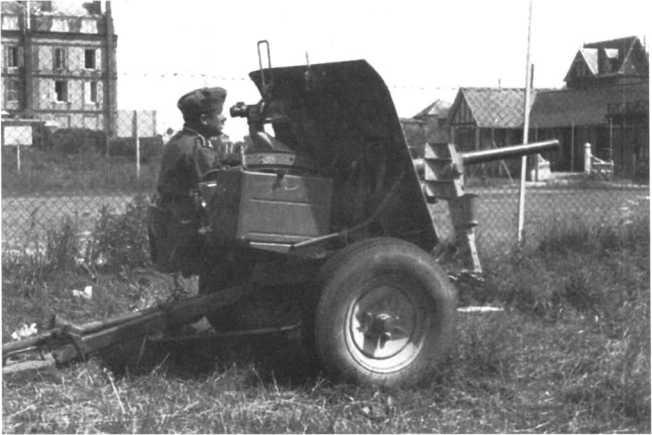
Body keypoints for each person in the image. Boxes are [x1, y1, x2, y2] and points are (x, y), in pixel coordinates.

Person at [152, 87, 227, 292]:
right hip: (188, 224)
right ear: (204, 119)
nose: (224, 118)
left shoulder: (179, 141)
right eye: (219, 113)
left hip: (173, 220)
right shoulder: (197, 148)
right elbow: (215, 188)